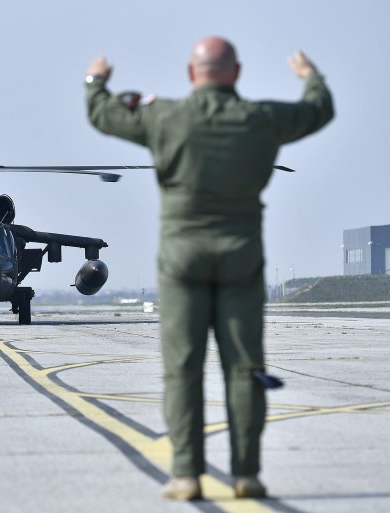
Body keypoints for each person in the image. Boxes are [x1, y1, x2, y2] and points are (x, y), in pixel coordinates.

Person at [85, 37, 333, 500]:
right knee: (245, 368)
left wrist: (96, 80)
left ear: (190, 73)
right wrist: (309, 76)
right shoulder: (262, 118)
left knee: (182, 368)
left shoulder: (165, 116)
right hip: (241, 255)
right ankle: (247, 475)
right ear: (235, 74)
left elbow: (102, 115)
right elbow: (319, 110)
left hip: (182, 259)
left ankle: (185, 475)